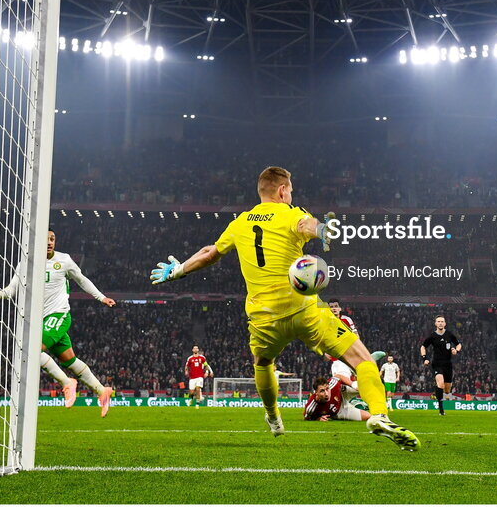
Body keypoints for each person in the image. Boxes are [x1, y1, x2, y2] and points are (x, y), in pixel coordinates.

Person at [149, 166, 419, 450]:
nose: (291, 195)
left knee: (263, 364)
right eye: (289, 190)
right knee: (362, 359)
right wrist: (322, 229)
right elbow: (307, 225)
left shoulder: (240, 222)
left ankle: (273, 416)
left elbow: (210, 253)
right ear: (281, 190)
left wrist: (179, 269)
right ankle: (378, 414)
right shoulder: (290, 213)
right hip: (305, 311)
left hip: (264, 319)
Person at [0, 229, 115, 416]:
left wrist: (101, 297)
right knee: (70, 361)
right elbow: (12, 288)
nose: (49, 242)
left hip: (59, 315)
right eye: (45, 239)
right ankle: (101, 390)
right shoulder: (27, 262)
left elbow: (82, 280)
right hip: (41, 320)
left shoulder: (64, 260)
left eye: (52, 239)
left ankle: (67, 383)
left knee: (32, 351)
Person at [325, 299, 385, 390]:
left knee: (340, 380)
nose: (334, 309)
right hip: (336, 357)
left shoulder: (346, 319)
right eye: (331, 307)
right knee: (340, 385)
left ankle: (358, 380)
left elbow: (356, 336)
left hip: (346, 354)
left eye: (336, 306)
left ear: (340, 308)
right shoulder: (326, 322)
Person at [420, 315, 461, 416]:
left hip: (448, 364)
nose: (440, 323)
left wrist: (456, 350)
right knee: (440, 383)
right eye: (438, 321)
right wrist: (424, 358)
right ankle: (441, 410)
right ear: (435, 324)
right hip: (437, 364)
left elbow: (458, 344)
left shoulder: (449, 335)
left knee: (447, 390)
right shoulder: (432, 336)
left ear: (445, 323)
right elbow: (423, 347)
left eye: (442, 321)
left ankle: (438, 391)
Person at [303, 376, 371, 422]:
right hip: (339, 411)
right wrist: (318, 419)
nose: (326, 394)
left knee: (365, 388)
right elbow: (307, 418)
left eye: (327, 389)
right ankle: (355, 403)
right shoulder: (311, 407)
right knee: (368, 416)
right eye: (322, 391)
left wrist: (353, 384)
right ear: (316, 393)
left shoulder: (333, 384)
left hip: (342, 393)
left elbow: (339, 376)